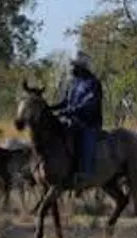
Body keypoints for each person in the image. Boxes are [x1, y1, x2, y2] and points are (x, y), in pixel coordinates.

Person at [49, 50, 103, 184]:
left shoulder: (93, 83)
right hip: (71, 120)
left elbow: (89, 104)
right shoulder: (73, 83)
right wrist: (49, 108)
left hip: (89, 123)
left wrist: (69, 111)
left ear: (82, 68)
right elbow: (65, 102)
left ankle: (85, 172)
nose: (71, 68)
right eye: (72, 65)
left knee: (85, 138)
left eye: (74, 66)